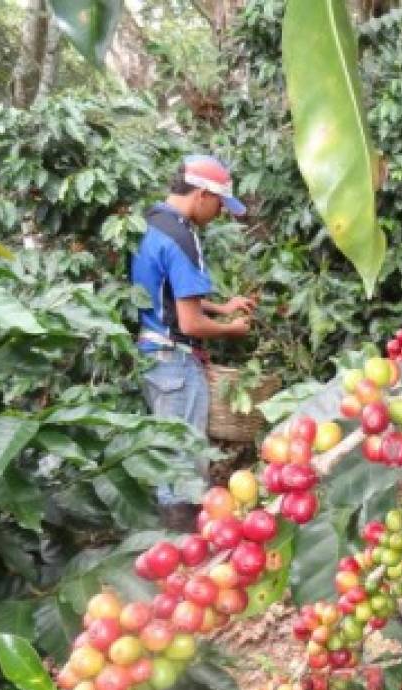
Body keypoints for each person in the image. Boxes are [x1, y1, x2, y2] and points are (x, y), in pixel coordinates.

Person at [131, 154, 257, 529]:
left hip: (152, 356)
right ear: (202, 195)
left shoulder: (151, 223)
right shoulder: (184, 237)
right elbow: (188, 321)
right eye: (219, 203)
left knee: (168, 456)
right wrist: (229, 330)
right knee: (183, 466)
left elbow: (168, 294)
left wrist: (221, 307)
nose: (219, 212)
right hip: (176, 363)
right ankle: (182, 551)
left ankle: (177, 550)